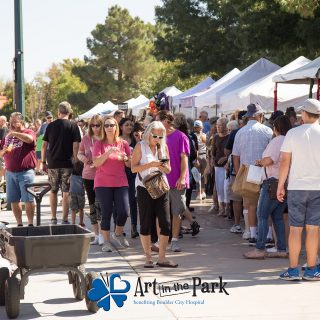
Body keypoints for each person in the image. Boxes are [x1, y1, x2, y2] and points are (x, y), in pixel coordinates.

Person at [278, 99, 320, 280]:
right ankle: (311, 270)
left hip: (296, 187)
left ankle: (293, 270)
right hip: (318, 187)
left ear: (304, 114)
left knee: (295, 229)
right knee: (313, 229)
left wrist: (281, 185)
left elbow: (285, 161)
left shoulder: (293, 133)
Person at [244, 115, 292, 259]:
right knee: (277, 216)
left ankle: (259, 249)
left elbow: (270, 160)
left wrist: (260, 161)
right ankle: (282, 248)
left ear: (276, 128)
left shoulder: (277, 141)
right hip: (285, 182)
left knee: (262, 215)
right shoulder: (289, 140)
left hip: (272, 182)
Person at [131, 121, 177, 268]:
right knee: (145, 223)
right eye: (155, 135)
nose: (157, 138)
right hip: (144, 187)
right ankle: (148, 258)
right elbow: (133, 168)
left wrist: (163, 166)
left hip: (161, 186)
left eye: (160, 136)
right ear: (148, 133)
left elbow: (169, 169)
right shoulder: (140, 146)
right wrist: (151, 164)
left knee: (166, 223)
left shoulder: (163, 147)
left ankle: (162, 257)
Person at [232, 104, 273, 243]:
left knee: (250, 204)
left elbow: (235, 156)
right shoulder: (268, 131)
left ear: (248, 116)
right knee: (267, 203)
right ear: (259, 116)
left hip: (247, 170)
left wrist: (239, 174)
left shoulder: (240, 132)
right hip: (265, 170)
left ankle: (253, 234)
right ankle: (267, 235)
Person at [92, 116, 131, 252]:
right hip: (103, 182)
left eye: (111, 125)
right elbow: (96, 163)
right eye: (106, 125)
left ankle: (118, 234)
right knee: (106, 211)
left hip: (120, 181)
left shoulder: (124, 143)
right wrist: (108, 152)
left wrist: (125, 158)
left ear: (116, 127)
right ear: (104, 128)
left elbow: (130, 164)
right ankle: (106, 242)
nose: (109, 127)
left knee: (124, 211)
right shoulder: (99, 144)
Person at [42, 101, 81, 224]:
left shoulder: (50, 125)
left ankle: (53, 218)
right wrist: (75, 160)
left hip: (53, 163)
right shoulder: (73, 126)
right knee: (66, 192)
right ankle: (64, 219)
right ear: (69, 113)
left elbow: (44, 145)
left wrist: (43, 161)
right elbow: (76, 146)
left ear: (58, 112)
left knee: (53, 191)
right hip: (68, 163)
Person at [157, 110, 190, 252]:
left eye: (158, 120)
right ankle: (160, 240)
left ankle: (175, 240)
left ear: (166, 121)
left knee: (177, 211)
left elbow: (184, 158)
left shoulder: (181, 136)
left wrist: (182, 177)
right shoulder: (157, 136)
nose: (155, 123)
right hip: (160, 180)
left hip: (177, 180)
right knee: (160, 212)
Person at [0, 112, 36, 226]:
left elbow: (30, 139)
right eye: (11, 122)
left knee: (29, 200)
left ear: (21, 122)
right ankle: (19, 224)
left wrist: (15, 133)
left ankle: (30, 224)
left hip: (25, 172)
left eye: (15, 122)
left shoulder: (28, 132)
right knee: (14, 201)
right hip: (10, 173)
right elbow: (0, 153)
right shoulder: (7, 136)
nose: (13, 124)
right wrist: (3, 150)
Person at [78, 114, 103, 245]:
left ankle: (104, 232)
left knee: (101, 205)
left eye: (97, 125)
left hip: (103, 175)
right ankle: (97, 233)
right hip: (88, 175)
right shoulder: (86, 138)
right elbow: (79, 153)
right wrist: (85, 159)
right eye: (92, 125)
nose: (94, 128)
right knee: (92, 205)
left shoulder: (105, 138)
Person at [119, 117, 139, 238]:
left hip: (132, 173)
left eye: (131, 125)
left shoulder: (135, 140)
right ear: (121, 127)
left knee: (133, 200)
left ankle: (133, 228)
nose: (129, 127)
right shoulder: (117, 141)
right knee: (120, 202)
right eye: (127, 125)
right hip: (120, 173)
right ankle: (119, 227)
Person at [212, 117, 230, 216]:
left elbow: (232, 151)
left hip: (227, 166)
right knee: (219, 187)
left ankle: (227, 208)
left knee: (226, 187)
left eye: (221, 125)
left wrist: (226, 158)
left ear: (226, 126)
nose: (218, 127)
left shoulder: (230, 136)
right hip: (217, 165)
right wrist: (211, 160)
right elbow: (213, 151)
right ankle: (221, 208)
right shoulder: (215, 137)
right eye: (217, 125)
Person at [193, 120, 207, 200]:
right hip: (202, 156)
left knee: (199, 176)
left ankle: (200, 193)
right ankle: (201, 192)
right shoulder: (204, 135)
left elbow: (196, 149)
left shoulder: (195, 136)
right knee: (200, 176)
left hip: (200, 156)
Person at [69, 160, 85, 226]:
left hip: (72, 193)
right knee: (81, 209)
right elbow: (84, 185)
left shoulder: (71, 176)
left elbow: (68, 182)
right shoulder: (83, 177)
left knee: (73, 209)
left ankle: (73, 222)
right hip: (80, 193)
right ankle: (81, 222)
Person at [0, 116, 8, 182]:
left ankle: (3, 181)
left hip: (2, 150)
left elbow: (1, 140)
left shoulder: (4, 129)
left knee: (2, 165)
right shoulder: (3, 128)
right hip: (3, 150)